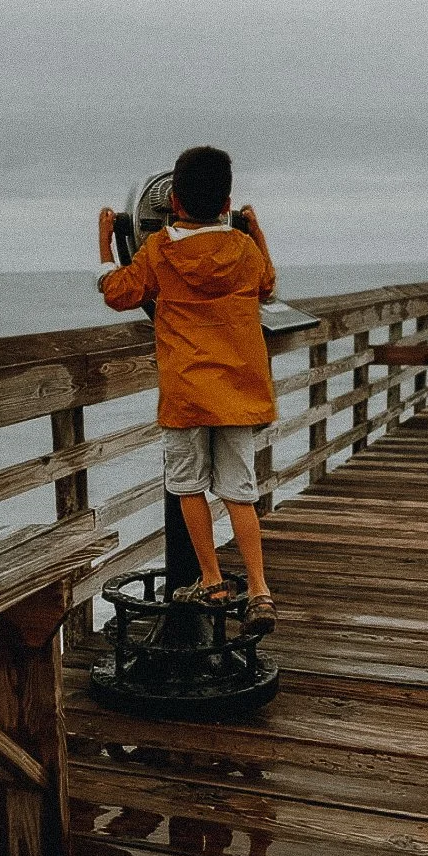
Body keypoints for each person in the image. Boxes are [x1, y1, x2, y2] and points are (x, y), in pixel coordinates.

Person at [97, 145, 278, 633]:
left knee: (187, 486)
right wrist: (253, 229)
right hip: (238, 392)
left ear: (172, 202)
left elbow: (119, 293)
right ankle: (259, 589)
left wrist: (105, 244)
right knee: (240, 493)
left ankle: (213, 579)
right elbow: (267, 284)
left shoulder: (158, 249)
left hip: (186, 392)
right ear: (228, 204)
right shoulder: (243, 251)